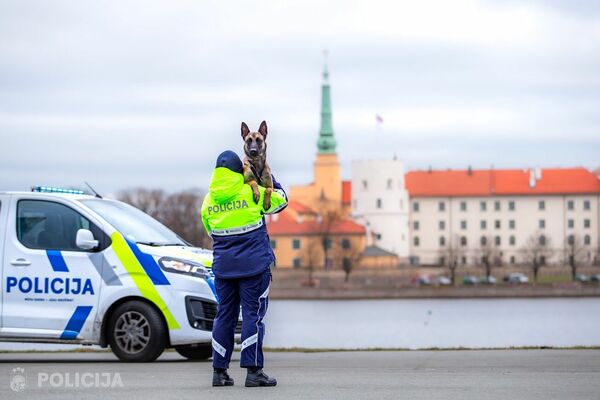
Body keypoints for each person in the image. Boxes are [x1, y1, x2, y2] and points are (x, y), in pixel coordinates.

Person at [201, 150, 288, 387]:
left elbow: (210, 231)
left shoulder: (208, 201)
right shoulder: (251, 192)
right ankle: (253, 372)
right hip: (254, 267)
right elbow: (281, 201)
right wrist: (268, 175)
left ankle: (219, 372)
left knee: (224, 316)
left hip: (224, 270)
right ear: (240, 170)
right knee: (252, 316)